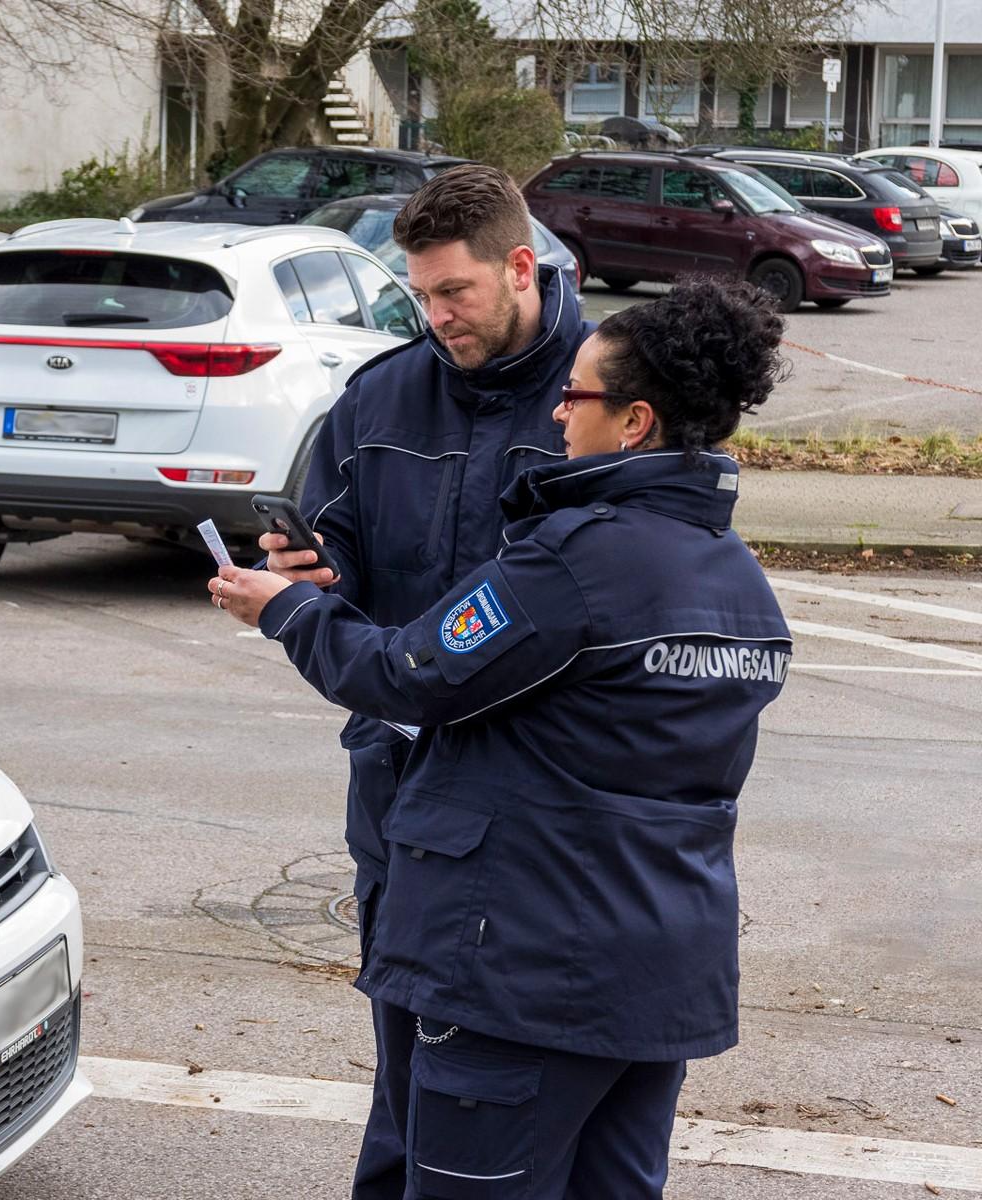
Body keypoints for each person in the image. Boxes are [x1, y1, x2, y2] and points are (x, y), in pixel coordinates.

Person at [212, 277, 792, 1198]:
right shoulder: (740, 584)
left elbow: (407, 674)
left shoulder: (573, 560)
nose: (559, 411)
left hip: (519, 970)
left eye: (578, 394)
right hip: (657, 975)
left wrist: (287, 610)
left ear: (635, 422)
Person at [259, 164, 591, 1198]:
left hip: (543, 795)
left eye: (457, 293)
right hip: (399, 782)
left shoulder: (603, 395)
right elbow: (339, 552)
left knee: (516, 1075)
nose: (438, 315)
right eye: (421, 296)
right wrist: (313, 571)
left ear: (520, 267)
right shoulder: (381, 394)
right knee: (407, 1054)